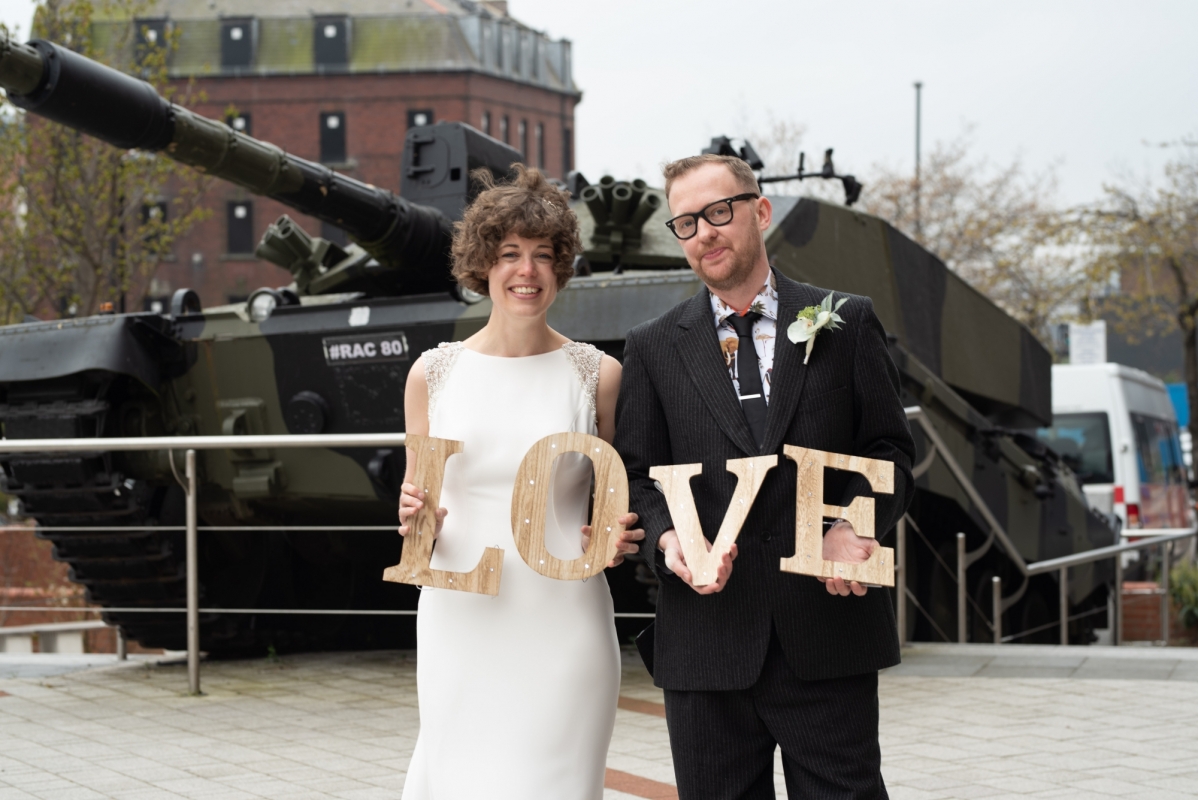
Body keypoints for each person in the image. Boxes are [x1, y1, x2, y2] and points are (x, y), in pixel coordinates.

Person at [613, 154, 916, 800]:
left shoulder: (849, 322)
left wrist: (849, 525)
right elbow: (637, 478)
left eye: (719, 212)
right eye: (687, 222)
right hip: (705, 644)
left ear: (760, 211)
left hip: (827, 639)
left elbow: (891, 451)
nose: (705, 233)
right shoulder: (652, 346)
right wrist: (672, 543)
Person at [397, 165, 644, 799]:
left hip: (564, 622)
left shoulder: (598, 374)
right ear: (483, 265)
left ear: (561, 267)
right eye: (509, 254)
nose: (525, 271)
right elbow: (416, 501)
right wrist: (412, 513)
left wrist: (619, 534)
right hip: (462, 618)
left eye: (541, 255)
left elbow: (621, 494)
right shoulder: (433, 374)